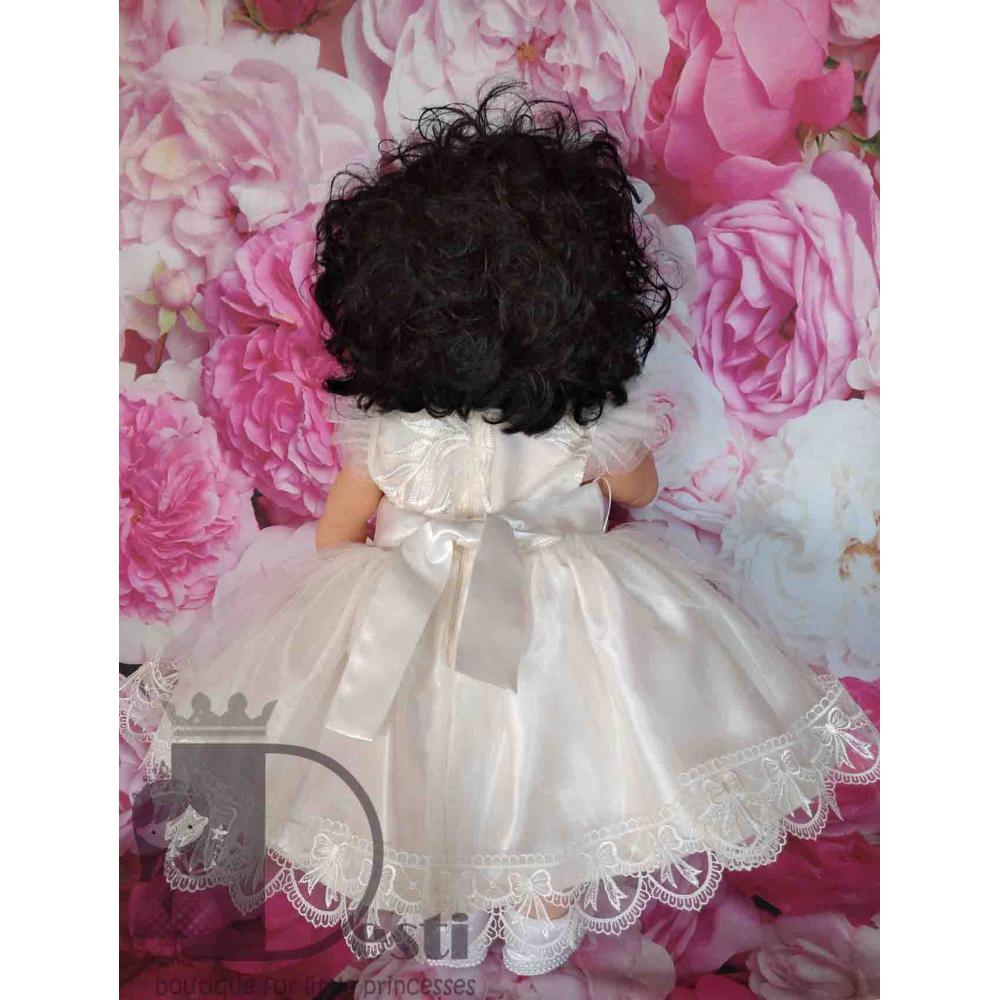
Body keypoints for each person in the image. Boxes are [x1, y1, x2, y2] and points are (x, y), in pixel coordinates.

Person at [121, 81, 879, 977]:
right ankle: (538, 926)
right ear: (587, 306)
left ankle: (444, 932)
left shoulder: (390, 436)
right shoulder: (582, 427)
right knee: (554, 766)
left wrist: (392, 572)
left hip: (408, 614)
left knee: (421, 776)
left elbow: (334, 537)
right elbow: (639, 487)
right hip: (561, 619)